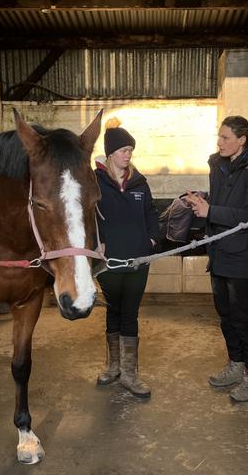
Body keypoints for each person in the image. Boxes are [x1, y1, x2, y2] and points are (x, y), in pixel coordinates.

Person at [186, 116, 248, 402]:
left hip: (244, 256)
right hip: (220, 252)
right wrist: (202, 202)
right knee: (226, 315)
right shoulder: (219, 165)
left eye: (226, 137)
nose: (220, 142)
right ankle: (237, 364)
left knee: (243, 318)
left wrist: (210, 211)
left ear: (242, 139)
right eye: (219, 136)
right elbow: (224, 204)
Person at [95, 119, 159, 398]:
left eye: (130, 149)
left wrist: (152, 240)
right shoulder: (95, 182)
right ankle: (113, 367)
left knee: (130, 313)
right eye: (123, 149)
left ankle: (130, 374)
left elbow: (151, 213)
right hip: (109, 261)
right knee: (113, 311)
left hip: (137, 261)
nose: (128, 154)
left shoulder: (139, 183)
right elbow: (87, 215)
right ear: (110, 154)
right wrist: (95, 244)